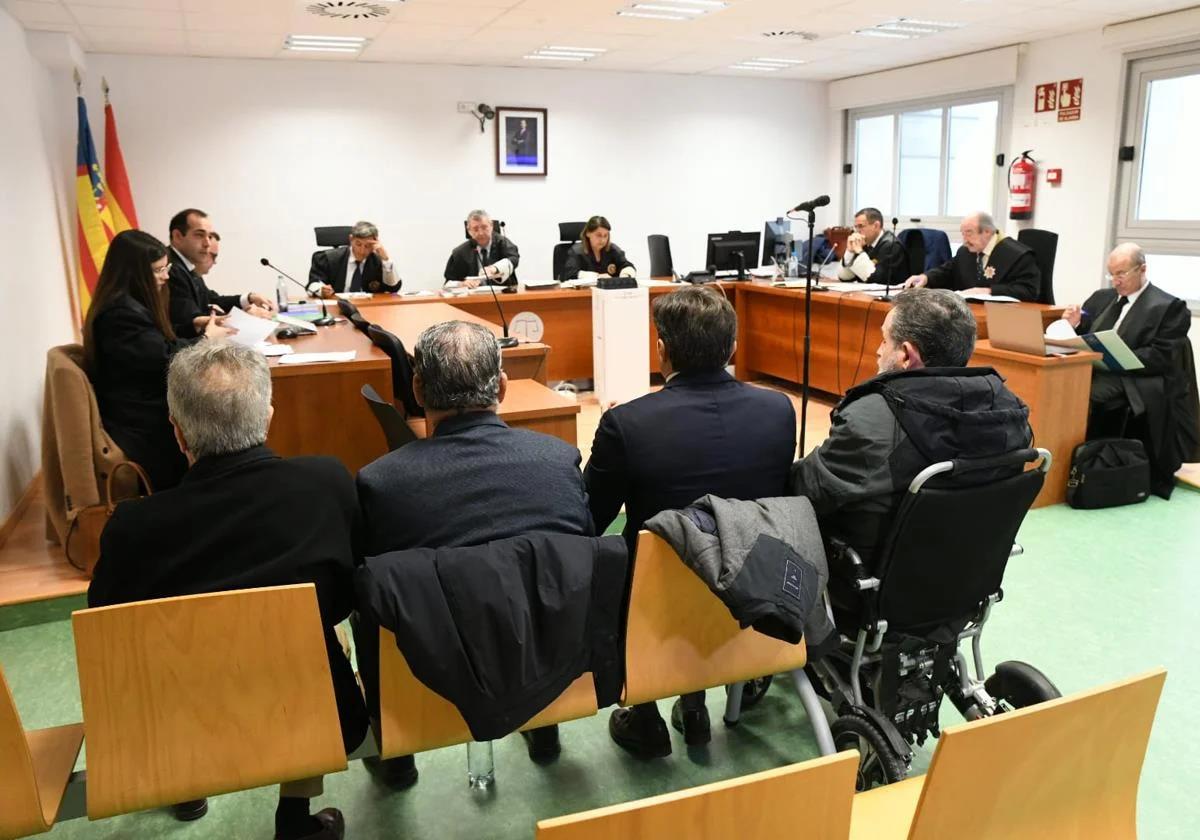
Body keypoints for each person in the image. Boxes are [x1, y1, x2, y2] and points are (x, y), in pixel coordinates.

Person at [88, 341, 367, 840]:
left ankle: (189, 786)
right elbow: (350, 596)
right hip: (314, 717)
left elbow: (108, 628)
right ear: (269, 414)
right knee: (317, 646)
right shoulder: (326, 484)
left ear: (176, 432)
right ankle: (296, 818)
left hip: (174, 733)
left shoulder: (132, 528)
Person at [356, 320, 592, 769]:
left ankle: (397, 758)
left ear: (418, 388)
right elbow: (579, 556)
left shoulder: (380, 483)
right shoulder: (559, 460)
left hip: (429, 681)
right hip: (554, 665)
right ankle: (543, 729)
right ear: (502, 387)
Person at [584, 285, 795, 757]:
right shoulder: (779, 410)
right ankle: (695, 705)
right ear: (733, 349)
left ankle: (644, 715)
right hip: (750, 588)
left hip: (656, 603)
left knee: (633, 553)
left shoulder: (627, 425)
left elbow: (591, 519)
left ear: (661, 350)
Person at [790, 289, 1031, 592]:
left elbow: (807, 491)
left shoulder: (873, 419)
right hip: (966, 586)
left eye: (883, 340)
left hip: (870, 591)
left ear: (906, 354)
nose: (878, 351)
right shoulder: (1011, 413)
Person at [83, 229, 233, 491]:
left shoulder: (128, 304)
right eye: (157, 270)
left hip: (143, 404)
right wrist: (207, 340)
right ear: (133, 274)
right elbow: (164, 359)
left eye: (167, 268)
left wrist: (196, 327)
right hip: (142, 419)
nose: (166, 277)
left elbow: (160, 344)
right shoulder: (120, 313)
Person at [1063, 243, 1197, 497]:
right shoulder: (1101, 298)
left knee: (1083, 394)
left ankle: (1084, 464)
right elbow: (1086, 339)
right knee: (1061, 386)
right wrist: (1076, 325)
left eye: (1121, 274)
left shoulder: (1169, 307)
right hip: (1100, 368)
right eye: (1111, 274)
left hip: (1138, 379)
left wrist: (1118, 357)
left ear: (1142, 269)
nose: (1115, 281)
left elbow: (1161, 356)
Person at [166, 208, 275, 338]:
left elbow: (210, 300)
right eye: (200, 235)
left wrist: (248, 298)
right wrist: (244, 319)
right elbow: (192, 322)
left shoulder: (185, 265)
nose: (207, 243)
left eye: (209, 236)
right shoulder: (171, 269)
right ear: (178, 236)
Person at [905, 211, 1040, 301]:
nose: (964, 240)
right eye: (962, 234)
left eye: (969, 233)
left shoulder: (1017, 255)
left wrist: (989, 291)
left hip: (1006, 318)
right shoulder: (966, 251)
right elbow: (947, 271)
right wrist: (925, 277)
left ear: (987, 231)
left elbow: (1029, 290)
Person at [307, 220, 402, 298]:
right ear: (351, 239)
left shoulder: (378, 261)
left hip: (369, 308)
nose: (362, 251)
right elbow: (312, 284)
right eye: (358, 244)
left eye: (368, 246)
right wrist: (321, 290)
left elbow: (393, 288)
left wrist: (386, 259)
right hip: (337, 307)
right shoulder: (327, 258)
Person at [444, 209, 520, 288]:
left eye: (484, 227)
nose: (480, 233)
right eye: (475, 229)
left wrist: (494, 268)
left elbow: (514, 259)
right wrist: (461, 284)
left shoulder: (502, 243)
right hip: (473, 298)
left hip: (503, 295)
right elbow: (447, 283)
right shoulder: (459, 253)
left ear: (491, 226)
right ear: (469, 230)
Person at [837, 207, 907, 287]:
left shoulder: (892, 245)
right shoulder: (865, 243)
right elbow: (845, 278)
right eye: (855, 227)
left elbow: (876, 279)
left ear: (876, 226)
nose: (857, 231)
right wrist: (849, 252)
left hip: (893, 296)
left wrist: (859, 252)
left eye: (860, 226)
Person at [560, 216, 637, 281]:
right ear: (588, 233)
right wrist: (597, 277)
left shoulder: (613, 250)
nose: (603, 240)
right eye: (598, 235)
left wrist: (625, 275)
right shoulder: (576, 251)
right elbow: (570, 274)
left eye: (605, 235)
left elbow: (626, 265)